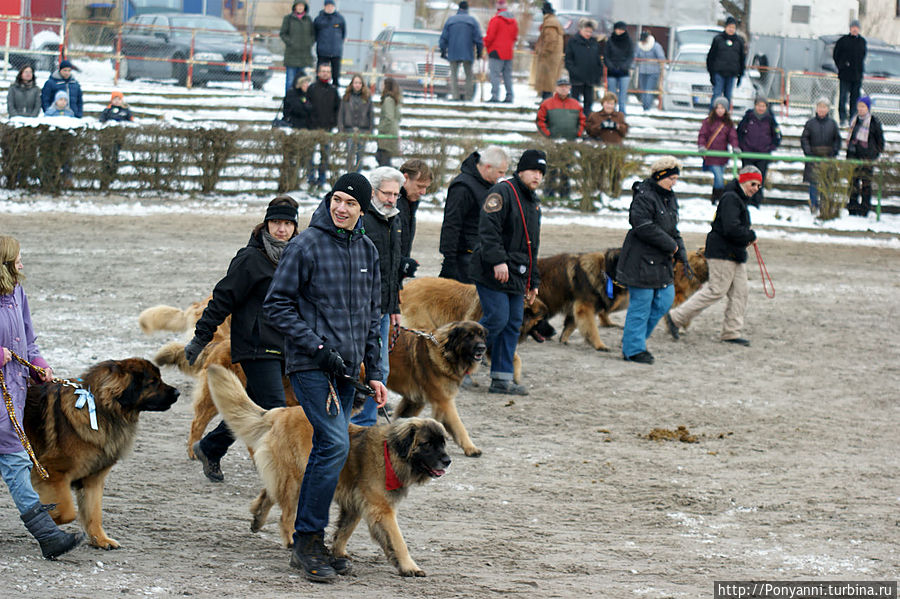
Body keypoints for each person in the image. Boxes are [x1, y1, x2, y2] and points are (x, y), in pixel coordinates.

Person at [263, 173, 386, 582]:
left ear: (362, 210)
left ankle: (314, 538)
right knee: (334, 442)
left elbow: (372, 320)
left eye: (350, 203)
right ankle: (307, 541)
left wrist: (379, 373)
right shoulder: (306, 244)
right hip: (310, 365)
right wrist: (317, 347)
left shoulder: (368, 249)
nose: (341, 208)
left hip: (349, 374)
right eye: (336, 199)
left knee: (330, 448)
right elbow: (276, 306)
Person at [185, 197, 299, 482]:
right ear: (266, 224)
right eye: (276, 223)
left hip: (285, 344)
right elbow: (223, 297)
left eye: (287, 223)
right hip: (255, 344)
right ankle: (280, 471)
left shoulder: (297, 256)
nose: (281, 229)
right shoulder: (250, 259)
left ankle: (211, 447)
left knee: (255, 408)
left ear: (295, 226)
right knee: (275, 409)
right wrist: (200, 338)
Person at [0, 236, 84, 559]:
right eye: (18, 259)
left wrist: (40, 367)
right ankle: (48, 536)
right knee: (16, 461)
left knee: (13, 460)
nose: (22, 264)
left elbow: (29, 342)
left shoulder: (18, 294)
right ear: (6, 263)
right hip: (3, 401)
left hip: (16, 392)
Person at [469, 149, 545, 395]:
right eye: (533, 170)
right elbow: (488, 230)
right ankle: (460, 363)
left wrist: (533, 280)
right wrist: (497, 261)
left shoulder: (533, 202)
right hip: (493, 271)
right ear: (521, 170)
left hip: (517, 273)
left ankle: (502, 377)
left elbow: (532, 245)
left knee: (513, 323)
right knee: (497, 318)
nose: (537, 176)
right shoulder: (502, 192)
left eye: (541, 173)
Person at [664, 166, 759, 347]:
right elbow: (731, 229)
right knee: (716, 290)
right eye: (752, 184)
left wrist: (746, 236)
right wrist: (749, 236)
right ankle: (676, 317)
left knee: (740, 292)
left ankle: (731, 332)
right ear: (743, 180)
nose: (755, 188)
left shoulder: (738, 198)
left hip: (735, 254)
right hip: (723, 253)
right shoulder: (731, 198)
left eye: (758, 186)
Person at [616, 156, 687, 364]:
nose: (674, 183)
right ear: (659, 176)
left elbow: (673, 228)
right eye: (671, 178)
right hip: (640, 260)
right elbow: (643, 225)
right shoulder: (644, 196)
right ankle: (633, 349)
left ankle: (633, 340)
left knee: (665, 300)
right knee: (641, 306)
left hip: (661, 261)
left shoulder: (670, 198)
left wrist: (680, 250)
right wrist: (671, 245)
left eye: (676, 179)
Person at [351, 167, 404, 427]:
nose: (392, 199)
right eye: (387, 193)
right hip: (357, 309)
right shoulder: (360, 219)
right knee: (358, 366)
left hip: (382, 309)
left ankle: (367, 421)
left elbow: (393, 267)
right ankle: (357, 422)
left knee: (380, 367)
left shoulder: (395, 219)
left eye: (396, 194)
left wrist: (394, 304)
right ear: (373, 192)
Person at [439, 146, 509, 283]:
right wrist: (449, 261)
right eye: (500, 172)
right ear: (488, 167)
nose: (502, 176)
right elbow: (451, 224)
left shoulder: (489, 185)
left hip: (481, 256)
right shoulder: (463, 187)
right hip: (465, 258)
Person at [537, 77, 583, 197]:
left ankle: (565, 192)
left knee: (566, 168)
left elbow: (582, 121)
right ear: (556, 88)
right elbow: (540, 120)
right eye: (561, 86)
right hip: (553, 142)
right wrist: (548, 134)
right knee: (551, 166)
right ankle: (549, 191)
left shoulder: (576, 104)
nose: (563, 89)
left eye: (566, 87)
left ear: (569, 88)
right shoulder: (547, 103)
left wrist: (578, 133)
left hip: (569, 142)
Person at [800, 98, 841, 214]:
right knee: (813, 183)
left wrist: (833, 152)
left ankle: (824, 205)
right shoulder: (810, 123)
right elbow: (804, 139)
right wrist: (808, 152)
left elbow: (837, 140)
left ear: (828, 109)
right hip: (813, 157)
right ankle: (813, 204)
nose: (822, 109)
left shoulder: (832, 124)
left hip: (827, 158)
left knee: (826, 182)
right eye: (820, 107)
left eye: (824, 107)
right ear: (816, 109)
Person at [737, 95, 781, 204]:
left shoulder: (770, 119)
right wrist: (742, 146)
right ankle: (745, 201)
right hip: (748, 153)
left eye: (763, 106)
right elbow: (739, 132)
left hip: (763, 155)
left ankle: (757, 201)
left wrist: (770, 148)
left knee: (758, 179)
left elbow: (777, 136)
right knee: (747, 178)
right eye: (758, 105)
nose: (761, 108)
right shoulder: (748, 117)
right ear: (755, 106)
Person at [846, 96, 884, 217]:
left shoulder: (874, 122)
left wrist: (874, 154)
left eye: (863, 106)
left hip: (867, 158)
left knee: (866, 184)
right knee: (853, 183)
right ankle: (852, 207)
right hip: (854, 157)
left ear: (868, 108)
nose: (861, 109)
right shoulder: (854, 120)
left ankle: (865, 209)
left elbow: (880, 141)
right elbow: (850, 137)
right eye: (859, 106)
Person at [439, 0, 483, 102]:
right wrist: (479, 52)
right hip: (467, 52)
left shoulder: (450, 20)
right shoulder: (472, 21)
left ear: (458, 8)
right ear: (467, 9)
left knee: (454, 74)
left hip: (453, 51)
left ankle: (455, 96)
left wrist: (443, 50)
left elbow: (444, 37)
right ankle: (468, 97)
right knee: (469, 75)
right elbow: (478, 39)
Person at [698, 96, 739, 205]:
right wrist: (701, 146)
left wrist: (735, 146)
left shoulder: (728, 123)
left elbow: (733, 137)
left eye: (722, 108)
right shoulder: (708, 121)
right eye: (718, 108)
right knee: (719, 178)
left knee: (719, 178)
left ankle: (714, 197)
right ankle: (719, 198)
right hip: (711, 155)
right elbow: (702, 135)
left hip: (722, 156)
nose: (720, 110)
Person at [306, 62, 340, 188]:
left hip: (327, 129)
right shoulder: (312, 88)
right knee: (310, 155)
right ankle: (310, 178)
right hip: (312, 129)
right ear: (318, 73)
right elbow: (307, 107)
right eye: (323, 71)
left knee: (325, 156)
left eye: (327, 71)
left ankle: (322, 179)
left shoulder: (333, 90)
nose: (325, 73)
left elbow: (337, 108)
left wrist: (333, 123)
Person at [397, 159, 432, 271]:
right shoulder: (392, 206)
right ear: (405, 178)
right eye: (420, 186)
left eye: (426, 187)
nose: (423, 192)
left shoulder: (409, 204)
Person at [565, 18, 603, 115]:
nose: (588, 34)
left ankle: (586, 121)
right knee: (574, 102)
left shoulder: (594, 43)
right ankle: (574, 120)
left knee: (589, 102)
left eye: (590, 32)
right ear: (581, 29)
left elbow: (597, 59)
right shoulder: (573, 41)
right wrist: (574, 71)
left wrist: (598, 73)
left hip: (590, 78)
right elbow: (568, 59)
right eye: (586, 31)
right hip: (576, 78)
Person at [705, 16, 745, 110]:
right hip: (719, 72)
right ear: (726, 27)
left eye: (733, 28)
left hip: (732, 73)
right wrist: (711, 73)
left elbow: (742, 59)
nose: (731, 29)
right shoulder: (718, 39)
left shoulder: (739, 41)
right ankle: (712, 116)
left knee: (728, 96)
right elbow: (711, 57)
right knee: (717, 94)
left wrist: (740, 75)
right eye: (729, 27)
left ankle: (725, 117)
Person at [483, 0, 518, 103]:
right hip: (508, 52)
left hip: (495, 51)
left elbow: (490, 36)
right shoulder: (514, 22)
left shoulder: (496, 20)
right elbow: (515, 37)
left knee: (495, 75)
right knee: (507, 75)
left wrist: (484, 44)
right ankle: (509, 95)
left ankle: (495, 95)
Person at [337, 74, 373, 171]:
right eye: (355, 82)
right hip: (349, 129)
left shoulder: (367, 98)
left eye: (359, 83)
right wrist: (341, 129)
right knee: (350, 154)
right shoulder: (346, 97)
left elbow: (371, 115)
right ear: (352, 84)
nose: (357, 85)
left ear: (362, 84)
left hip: (363, 130)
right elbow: (341, 114)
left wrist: (370, 130)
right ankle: (349, 175)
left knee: (360, 156)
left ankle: (358, 176)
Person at [833, 20, 866, 125]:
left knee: (855, 98)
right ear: (850, 28)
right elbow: (836, 55)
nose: (855, 29)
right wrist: (841, 66)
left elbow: (863, 56)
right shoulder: (843, 40)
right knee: (843, 97)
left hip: (857, 75)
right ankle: (842, 118)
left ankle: (853, 117)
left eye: (856, 27)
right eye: (853, 27)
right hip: (844, 74)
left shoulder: (862, 41)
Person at [280, 1, 315, 98]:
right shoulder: (288, 19)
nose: (300, 8)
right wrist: (291, 42)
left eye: (302, 6)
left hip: (304, 56)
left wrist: (309, 43)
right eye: (298, 6)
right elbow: (283, 34)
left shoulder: (308, 20)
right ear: (295, 7)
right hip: (291, 55)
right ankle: (289, 101)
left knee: (303, 81)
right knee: (290, 81)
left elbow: (313, 35)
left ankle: (301, 100)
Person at [530, 2, 564, 101]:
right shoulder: (553, 21)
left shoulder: (550, 23)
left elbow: (550, 40)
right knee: (549, 81)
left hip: (549, 58)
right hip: (552, 57)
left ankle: (546, 101)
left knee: (547, 81)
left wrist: (543, 52)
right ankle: (545, 99)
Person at [603, 21, 634, 116]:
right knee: (611, 93)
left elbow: (630, 55)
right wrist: (610, 66)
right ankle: (611, 110)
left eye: (622, 29)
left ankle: (622, 111)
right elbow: (606, 55)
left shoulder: (628, 41)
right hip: (612, 70)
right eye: (618, 29)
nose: (620, 31)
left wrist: (625, 66)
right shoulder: (610, 40)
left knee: (623, 93)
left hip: (624, 71)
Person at [314, 0, 346, 89]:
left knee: (335, 75)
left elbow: (343, 34)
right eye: (328, 6)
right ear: (324, 7)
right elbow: (314, 34)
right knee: (321, 74)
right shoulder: (319, 19)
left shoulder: (340, 19)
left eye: (331, 6)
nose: (329, 8)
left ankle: (335, 93)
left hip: (336, 52)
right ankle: (319, 91)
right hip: (322, 52)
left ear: (334, 7)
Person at [635, 31, 665, 111]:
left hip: (653, 72)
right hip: (642, 71)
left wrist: (662, 69)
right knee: (643, 90)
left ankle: (647, 107)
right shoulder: (639, 46)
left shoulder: (656, 46)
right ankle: (644, 106)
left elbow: (661, 58)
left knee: (648, 90)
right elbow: (635, 57)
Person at [375, 78, 401, 167]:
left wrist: (381, 129)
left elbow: (389, 118)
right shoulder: (394, 99)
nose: (381, 86)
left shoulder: (388, 100)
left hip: (387, 135)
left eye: (383, 84)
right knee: (382, 159)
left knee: (383, 160)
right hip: (390, 134)